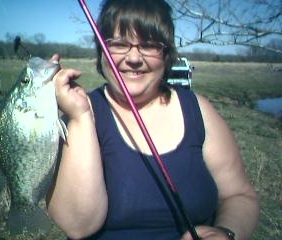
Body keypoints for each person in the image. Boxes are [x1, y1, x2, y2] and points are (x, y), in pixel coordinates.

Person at [47, 0, 259, 239]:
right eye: (118, 44)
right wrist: (80, 118)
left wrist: (227, 233)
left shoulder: (198, 110)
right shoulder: (80, 113)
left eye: (148, 45)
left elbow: (239, 196)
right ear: (101, 51)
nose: (134, 58)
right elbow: (77, 225)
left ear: (166, 53)